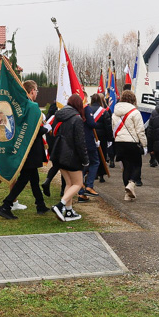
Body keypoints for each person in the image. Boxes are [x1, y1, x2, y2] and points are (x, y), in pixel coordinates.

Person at [0, 81, 49, 219]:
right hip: (30, 150)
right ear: (32, 91)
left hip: (26, 148)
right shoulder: (32, 107)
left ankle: (40, 205)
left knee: (33, 178)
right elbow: (34, 130)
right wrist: (47, 128)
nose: (37, 93)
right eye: (36, 90)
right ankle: (6, 205)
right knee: (24, 179)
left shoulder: (22, 106)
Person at [49, 93, 87, 222]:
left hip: (59, 154)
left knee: (69, 183)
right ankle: (60, 206)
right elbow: (80, 142)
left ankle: (69, 211)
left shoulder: (58, 116)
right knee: (78, 183)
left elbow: (52, 133)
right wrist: (85, 159)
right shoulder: (77, 119)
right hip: (72, 156)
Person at [112, 90, 147, 201]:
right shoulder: (135, 112)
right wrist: (144, 144)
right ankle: (131, 184)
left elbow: (113, 128)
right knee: (137, 165)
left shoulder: (115, 112)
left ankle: (127, 194)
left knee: (126, 167)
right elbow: (140, 130)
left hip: (119, 142)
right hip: (132, 142)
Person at [81, 93, 111, 197]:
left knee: (88, 161)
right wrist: (110, 138)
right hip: (99, 138)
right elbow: (106, 125)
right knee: (97, 160)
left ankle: (84, 184)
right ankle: (97, 178)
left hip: (87, 138)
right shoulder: (103, 111)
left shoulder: (85, 109)